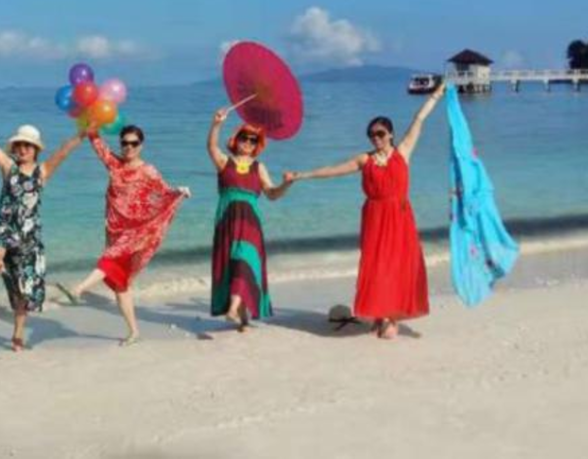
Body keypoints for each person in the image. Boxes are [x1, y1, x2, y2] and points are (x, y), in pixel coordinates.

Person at [285, 82, 447, 339]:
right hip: (374, 216)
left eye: (381, 133)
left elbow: (419, 119)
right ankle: (380, 315)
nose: (376, 138)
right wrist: (303, 175)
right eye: (372, 134)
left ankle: (391, 316)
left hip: (399, 216)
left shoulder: (403, 152)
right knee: (376, 266)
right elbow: (334, 170)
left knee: (398, 265)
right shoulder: (365, 160)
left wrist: (436, 95)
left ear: (391, 134)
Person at [0, 113, 83, 351]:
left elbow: (64, 152)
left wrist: (82, 134)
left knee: (23, 292)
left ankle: (17, 335)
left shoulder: (43, 172)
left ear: (36, 150)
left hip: (29, 238)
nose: (23, 149)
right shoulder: (8, 167)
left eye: (28, 145)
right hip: (4, 228)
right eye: (19, 145)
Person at [59, 126, 190, 345]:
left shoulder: (148, 170)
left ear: (141, 146)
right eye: (125, 143)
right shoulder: (114, 163)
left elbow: (164, 192)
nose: (129, 147)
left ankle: (79, 289)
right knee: (121, 284)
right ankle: (134, 332)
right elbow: (97, 144)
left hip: (136, 230)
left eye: (134, 143)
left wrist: (180, 191)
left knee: (108, 259)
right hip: (114, 229)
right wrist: (90, 125)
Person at [208, 110, 293, 330]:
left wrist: (286, 184)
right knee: (233, 265)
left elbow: (272, 194)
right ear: (236, 140)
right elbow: (211, 148)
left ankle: (233, 309)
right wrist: (216, 125)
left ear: (257, 145)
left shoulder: (259, 167)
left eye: (252, 140)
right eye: (244, 137)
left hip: (250, 224)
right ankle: (243, 318)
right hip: (227, 220)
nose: (247, 142)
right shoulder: (225, 162)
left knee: (245, 261)